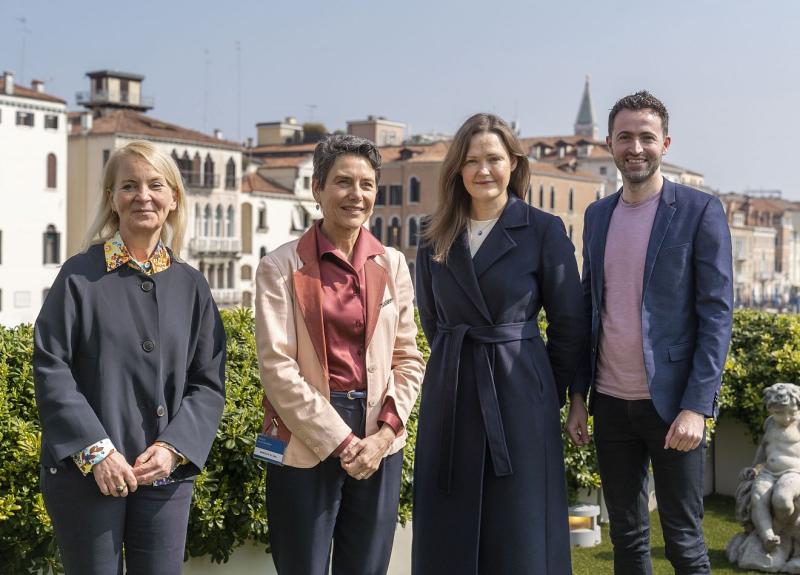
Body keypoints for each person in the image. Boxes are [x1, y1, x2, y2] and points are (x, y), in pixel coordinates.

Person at [34, 140, 227, 574]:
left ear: (174, 198)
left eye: (156, 185)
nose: (143, 196)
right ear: (112, 199)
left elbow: (208, 381)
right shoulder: (79, 276)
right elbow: (51, 367)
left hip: (165, 476)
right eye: (129, 185)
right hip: (86, 476)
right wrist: (96, 452)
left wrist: (174, 448)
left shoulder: (192, 286)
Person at [567, 90, 733, 574]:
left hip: (674, 405)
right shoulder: (597, 216)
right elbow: (586, 308)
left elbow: (717, 314)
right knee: (626, 537)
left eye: (645, 137)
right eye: (625, 137)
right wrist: (578, 395)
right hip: (611, 404)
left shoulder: (701, 210)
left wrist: (697, 406)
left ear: (665, 142)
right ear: (609, 144)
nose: (635, 147)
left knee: (684, 539)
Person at [413, 113, 587, 574]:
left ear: (513, 163)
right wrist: (462, 359)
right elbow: (432, 319)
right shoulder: (432, 233)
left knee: (519, 525)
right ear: (457, 169)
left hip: (521, 394)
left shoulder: (543, 229)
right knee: (448, 523)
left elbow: (570, 324)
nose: (482, 170)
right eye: (471, 161)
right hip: (450, 391)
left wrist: (545, 387)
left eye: (493, 158)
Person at [254, 134, 424, 575]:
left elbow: (408, 358)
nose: (357, 194)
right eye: (343, 182)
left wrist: (384, 435)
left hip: (378, 439)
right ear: (317, 189)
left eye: (367, 184)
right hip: (303, 437)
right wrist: (342, 442)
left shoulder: (393, 264)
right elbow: (277, 367)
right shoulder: (280, 267)